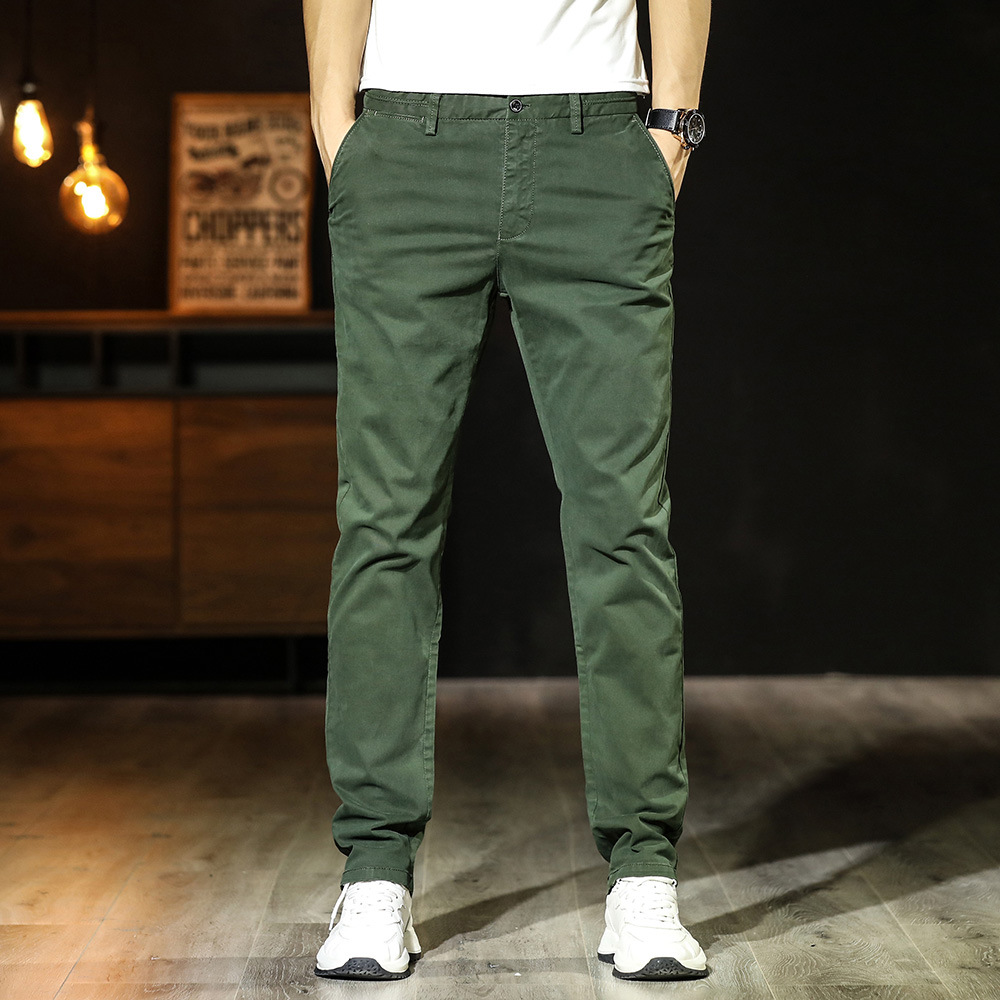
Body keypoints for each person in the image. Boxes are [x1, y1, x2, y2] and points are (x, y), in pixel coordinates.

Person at [302, 0, 712, 983]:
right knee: (385, 522)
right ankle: (375, 870)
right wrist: (338, 130)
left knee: (623, 523)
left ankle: (644, 871)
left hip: (595, 146)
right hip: (406, 145)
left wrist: (671, 128)